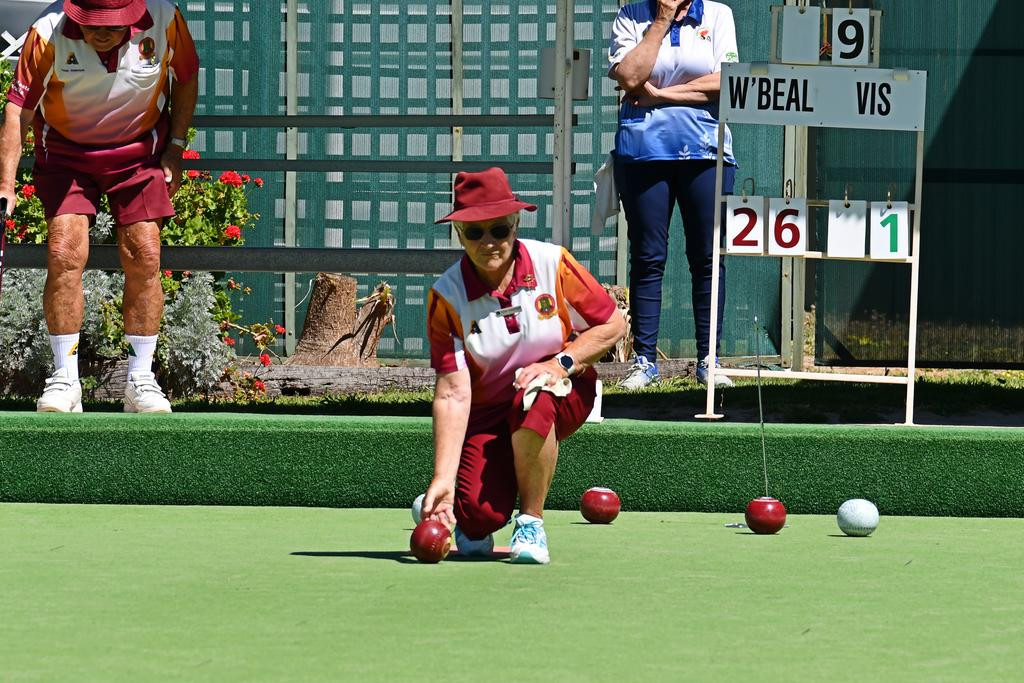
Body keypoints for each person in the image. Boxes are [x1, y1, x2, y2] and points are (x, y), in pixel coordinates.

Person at [0, 0, 199, 413]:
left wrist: (176, 146)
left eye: (112, 24)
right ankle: (64, 379)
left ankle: (140, 379)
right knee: (63, 252)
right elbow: (18, 108)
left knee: (145, 254)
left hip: (139, 153)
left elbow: (186, 76)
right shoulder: (47, 30)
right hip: (67, 153)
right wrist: (6, 184)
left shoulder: (164, 18)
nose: (101, 32)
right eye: (92, 24)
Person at [421, 167, 626, 564]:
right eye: (475, 233)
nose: (489, 243)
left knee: (535, 397)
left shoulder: (554, 263)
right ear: (459, 235)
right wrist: (442, 479)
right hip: (489, 412)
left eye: (499, 230)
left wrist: (561, 363)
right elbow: (452, 392)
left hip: (564, 392)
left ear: (515, 223)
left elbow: (613, 323)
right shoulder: (446, 297)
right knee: (479, 520)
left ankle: (531, 523)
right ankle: (460, 507)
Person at [608, 0, 739, 389]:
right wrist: (662, 20)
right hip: (643, 153)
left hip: (707, 151)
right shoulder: (631, 15)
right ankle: (644, 361)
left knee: (708, 258)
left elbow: (727, 82)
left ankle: (709, 361)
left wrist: (661, 96)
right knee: (648, 258)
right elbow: (631, 78)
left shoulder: (718, 15)